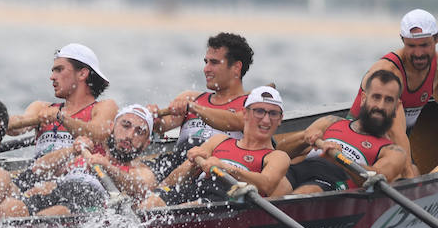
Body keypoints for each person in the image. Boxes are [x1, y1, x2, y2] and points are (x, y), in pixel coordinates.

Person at [349, 9, 438, 175]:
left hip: (394, 143)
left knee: (412, 171)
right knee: (408, 173)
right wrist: (409, 175)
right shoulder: (388, 75)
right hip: (360, 142)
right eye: (411, 46)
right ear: (402, 40)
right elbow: (395, 131)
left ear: (437, 38)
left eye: (424, 45)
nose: (418, 54)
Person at [0, 104, 158, 217]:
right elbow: (36, 170)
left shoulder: (142, 171)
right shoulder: (87, 151)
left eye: (139, 132)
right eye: (126, 126)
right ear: (111, 127)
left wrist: (107, 167)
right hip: (57, 195)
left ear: (146, 144)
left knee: (60, 210)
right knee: (10, 207)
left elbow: (140, 189)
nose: (129, 136)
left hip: (89, 210)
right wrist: (70, 150)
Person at [143, 87, 291, 207]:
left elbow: (266, 184)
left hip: (229, 198)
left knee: (179, 210)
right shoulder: (219, 140)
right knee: (151, 202)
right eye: (259, 111)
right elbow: (178, 176)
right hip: (198, 188)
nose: (266, 120)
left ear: (280, 119)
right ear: (245, 114)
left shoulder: (277, 157)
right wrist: (191, 164)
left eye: (273, 114)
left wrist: (225, 167)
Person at [281, 69, 410, 195]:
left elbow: (372, 178)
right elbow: (280, 150)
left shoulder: (394, 152)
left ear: (396, 107)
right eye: (376, 97)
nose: (380, 106)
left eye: (388, 100)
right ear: (364, 99)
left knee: (307, 192)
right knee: (277, 182)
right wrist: (304, 138)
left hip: (331, 184)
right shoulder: (330, 122)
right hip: (298, 171)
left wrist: (339, 158)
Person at [148, 32, 254, 176]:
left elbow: (236, 121)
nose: (206, 69)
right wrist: (152, 118)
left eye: (214, 63)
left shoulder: (252, 106)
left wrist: (194, 108)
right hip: (174, 164)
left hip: (211, 172)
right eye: (206, 62)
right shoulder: (190, 97)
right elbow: (161, 127)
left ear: (236, 67)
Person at [8, 42, 118, 160]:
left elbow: (98, 134)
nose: (52, 77)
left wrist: (61, 118)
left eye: (59, 70)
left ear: (82, 74)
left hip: (84, 177)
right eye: (53, 71)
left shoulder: (105, 107)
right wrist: (31, 121)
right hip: (39, 175)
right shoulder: (40, 108)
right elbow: (11, 128)